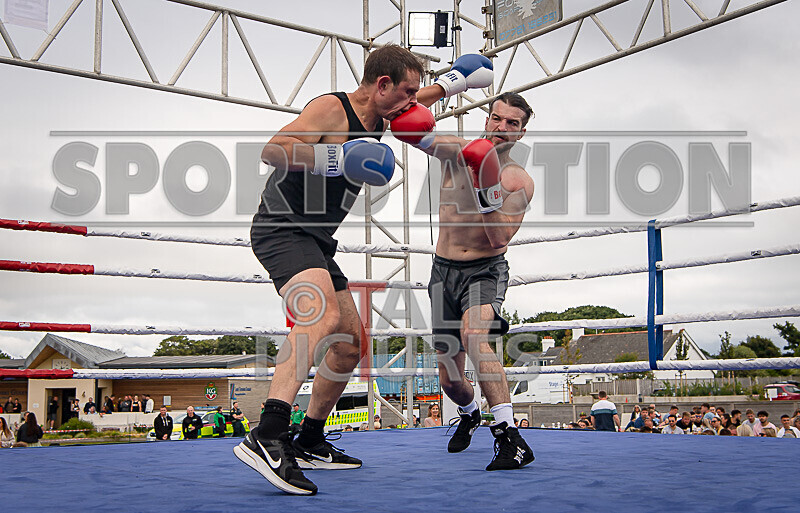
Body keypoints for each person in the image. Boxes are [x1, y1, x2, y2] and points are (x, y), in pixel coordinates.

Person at [234, 44, 490, 496]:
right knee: (322, 318)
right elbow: (273, 151)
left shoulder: (387, 111)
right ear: (382, 85)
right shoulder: (331, 108)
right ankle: (270, 434)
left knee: (350, 346)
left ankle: (311, 439)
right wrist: (337, 160)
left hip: (317, 242)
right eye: (405, 91)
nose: (413, 103)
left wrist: (457, 81)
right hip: (281, 229)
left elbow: (419, 99)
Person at [399, 91, 534, 471]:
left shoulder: (519, 181)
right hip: (442, 272)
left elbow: (499, 239)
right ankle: (471, 412)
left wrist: (485, 191)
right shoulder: (456, 151)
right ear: (486, 120)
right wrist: (447, 86)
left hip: (485, 270)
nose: (502, 128)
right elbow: (404, 128)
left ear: (521, 133)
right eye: (497, 118)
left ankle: (509, 436)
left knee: (475, 334)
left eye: (512, 123)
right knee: (450, 381)